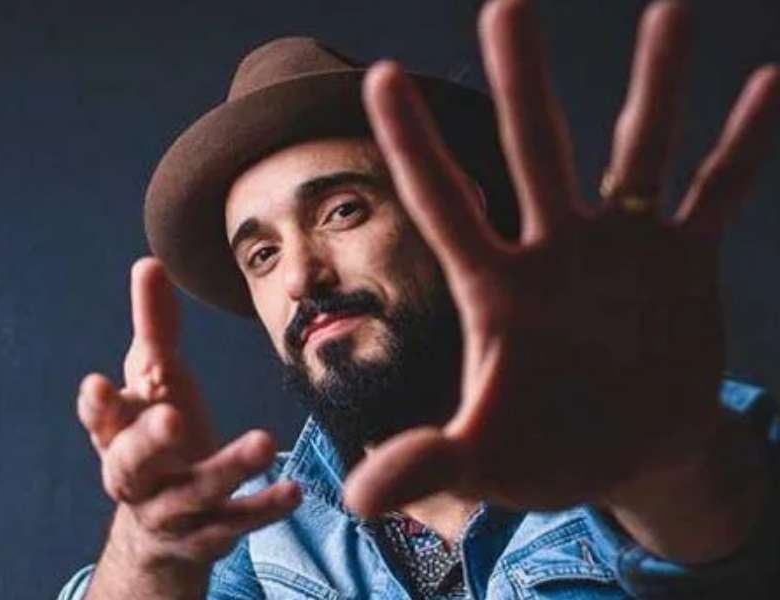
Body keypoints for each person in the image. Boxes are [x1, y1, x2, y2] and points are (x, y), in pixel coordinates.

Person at [59, 0, 780, 598]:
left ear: (452, 212)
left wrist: (669, 483)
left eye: (342, 211)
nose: (300, 277)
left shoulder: (686, 429)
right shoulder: (255, 532)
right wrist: (150, 548)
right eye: (262, 255)